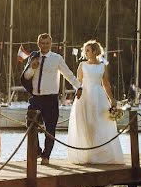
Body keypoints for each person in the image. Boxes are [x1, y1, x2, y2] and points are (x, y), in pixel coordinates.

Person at [22, 33, 81, 165]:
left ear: (51, 44)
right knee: (30, 123)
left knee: (50, 128)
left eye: (47, 43)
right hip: (36, 98)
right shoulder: (33, 57)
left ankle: (46, 156)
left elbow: (68, 74)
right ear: (38, 44)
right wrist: (33, 67)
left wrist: (79, 87)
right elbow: (26, 77)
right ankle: (36, 150)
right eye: (42, 43)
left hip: (51, 99)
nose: (45, 46)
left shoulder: (57, 58)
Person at [67, 40, 125, 165]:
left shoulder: (102, 66)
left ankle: (98, 154)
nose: (85, 52)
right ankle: (86, 154)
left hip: (99, 97)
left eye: (88, 50)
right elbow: (78, 82)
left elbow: (106, 84)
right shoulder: (82, 65)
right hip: (84, 97)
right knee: (85, 124)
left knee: (99, 123)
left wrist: (111, 99)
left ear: (94, 51)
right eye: (85, 50)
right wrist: (78, 92)